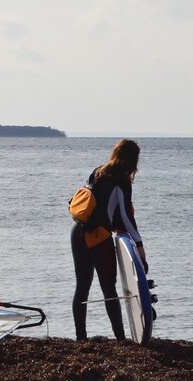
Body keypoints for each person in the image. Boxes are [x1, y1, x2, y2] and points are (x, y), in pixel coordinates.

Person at [71, 138, 146, 341]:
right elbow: (127, 218)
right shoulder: (122, 182)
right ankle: (120, 338)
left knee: (82, 287)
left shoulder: (98, 171)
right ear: (133, 160)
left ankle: (80, 338)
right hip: (98, 236)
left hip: (77, 231)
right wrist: (140, 248)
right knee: (109, 289)